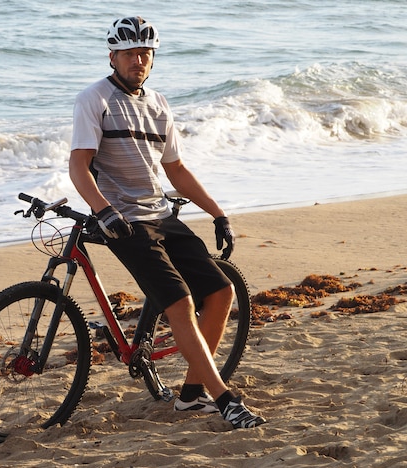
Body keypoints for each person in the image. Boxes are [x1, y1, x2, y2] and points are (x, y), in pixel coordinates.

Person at [69, 16, 266, 429]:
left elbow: (175, 170)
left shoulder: (158, 104)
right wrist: (105, 211)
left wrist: (218, 213)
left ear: (152, 59)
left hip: (161, 214)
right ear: (112, 57)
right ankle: (225, 398)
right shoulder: (94, 99)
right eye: (129, 53)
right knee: (180, 303)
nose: (138, 59)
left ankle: (191, 396)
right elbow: (79, 168)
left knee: (223, 291)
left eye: (145, 53)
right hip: (123, 221)